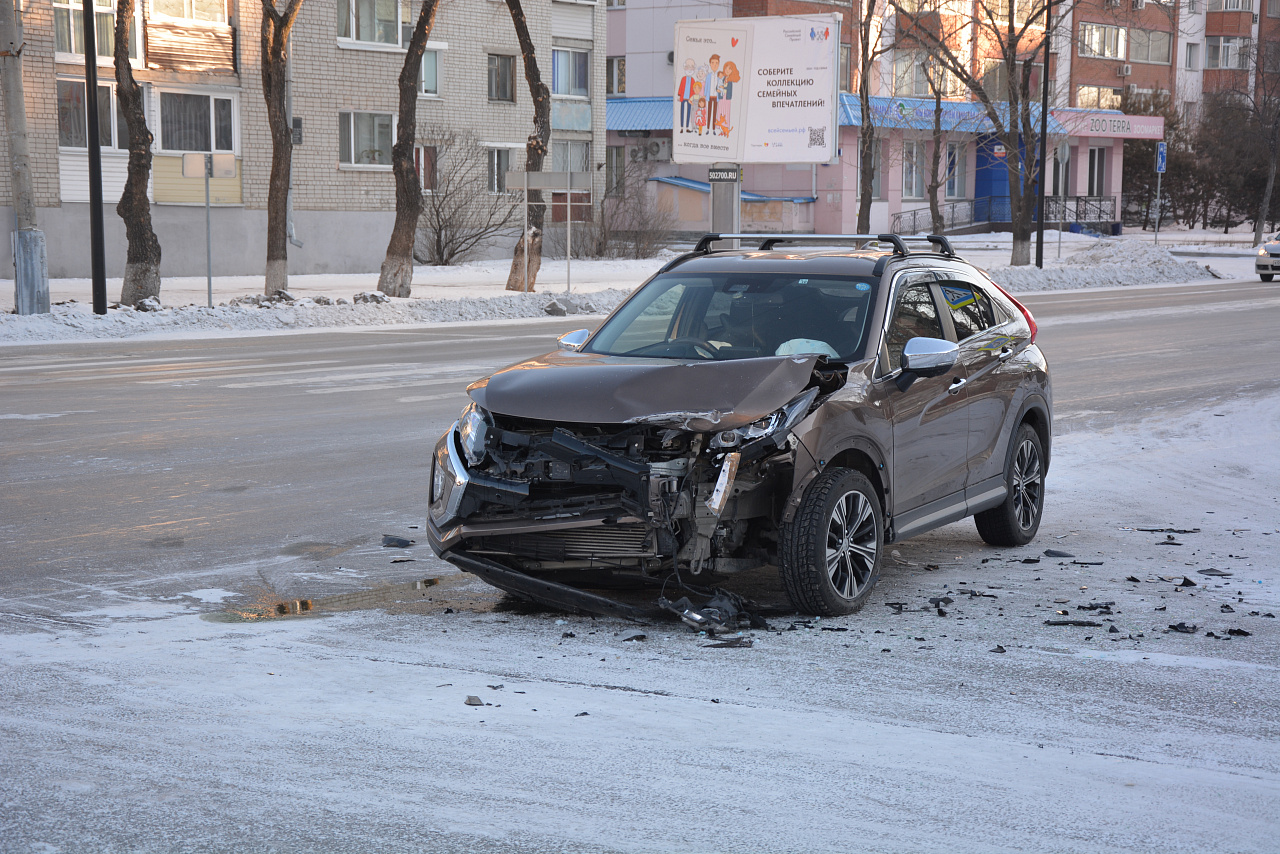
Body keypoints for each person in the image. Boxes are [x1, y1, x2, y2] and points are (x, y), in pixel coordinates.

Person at [676, 59, 697, 133]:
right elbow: (681, 87)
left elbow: (694, 89)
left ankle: (687, 127)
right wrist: (679, 95)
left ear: (694, 69)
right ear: (685, 68)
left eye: (692, 67)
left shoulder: (693, 80)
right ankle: (682, 127)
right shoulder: (683, 79)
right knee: (682, 112)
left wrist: (693, 98)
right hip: (683, 97)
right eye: (688, 66)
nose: (690, 69)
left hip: (690, 98)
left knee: (688, 112)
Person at [705, 55, 721, 136]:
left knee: (715, 113)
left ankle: (713, 129)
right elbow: (707, 86)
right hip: (710, 96)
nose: (714, 65)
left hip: (716, 97)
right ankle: (708, 129)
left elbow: (721, 86)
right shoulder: (708, 76)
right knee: (709, 113)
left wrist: (720, 91)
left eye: (716, 63)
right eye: (713, 63)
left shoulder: (719, 77)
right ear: (710, 64)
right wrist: (705, 95)